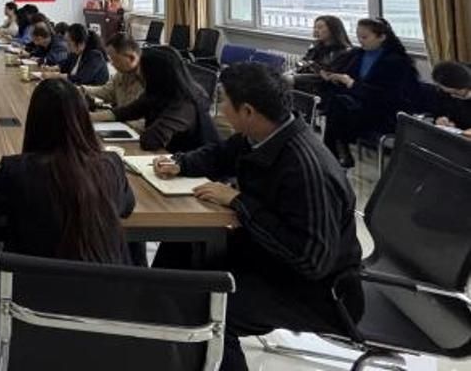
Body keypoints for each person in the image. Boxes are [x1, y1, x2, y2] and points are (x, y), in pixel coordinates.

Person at [153, 63, 362, 371]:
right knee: (182, 246)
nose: (220, 107)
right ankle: (159, 332)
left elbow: (311, 260)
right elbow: (220, 155)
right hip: (268, 257)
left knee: (205, 306)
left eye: (224, 100)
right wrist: (181, 163)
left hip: (315, 291)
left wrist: (240, 202)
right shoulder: (262, 135)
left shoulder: (305, 169)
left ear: (248, 111)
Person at [0, 79, 135, 263]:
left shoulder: (18, 171)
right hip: (106, 281)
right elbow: (126, 207)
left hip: (32, 281)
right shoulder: (111, 165)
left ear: (35, 122)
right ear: (84, 120)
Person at [319, 17, 419, 168]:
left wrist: (351, 84)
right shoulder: (357, 55)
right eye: (358, 37)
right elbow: (345, 78)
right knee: (336, 102)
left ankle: (335, 152)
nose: (360, 41)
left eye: (364, 37)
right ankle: (336, 151)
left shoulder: (396, 62)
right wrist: (333, 78)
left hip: (383, 111)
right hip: (356, 106)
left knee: (337, 107)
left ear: (382, 37)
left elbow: (386, 96)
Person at [109, 46, 219, 153]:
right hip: (171, 158)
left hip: (193, 163)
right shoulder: (159, 92)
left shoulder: (185, 104)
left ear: (156, 75)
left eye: (142, 70)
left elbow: (150, 140)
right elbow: (128, 112)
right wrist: (100, 116)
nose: (138, 75)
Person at [81, 33, 145, 109]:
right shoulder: (121, 74)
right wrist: (82, 89)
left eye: (115, 60)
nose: (112, 64)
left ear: (131, 58)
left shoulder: (149, 78)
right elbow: (107, 91)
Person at [292, 16, 353, 95]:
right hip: (310, 77)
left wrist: (311, 65)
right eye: (315, 27)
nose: (316, 30)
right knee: (282, 77)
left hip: (324, 84)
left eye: (320, 27)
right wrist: (302, 65)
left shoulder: (344, 51)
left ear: (333, 30)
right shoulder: (316, 45)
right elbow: (304, 61)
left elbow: (328, 74)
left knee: (287, 80)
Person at [422, 61, 471, 136]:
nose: (452, 96)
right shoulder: (444, 92)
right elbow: (438, 112)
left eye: (456, 93)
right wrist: (442, 119)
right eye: (448, 92)